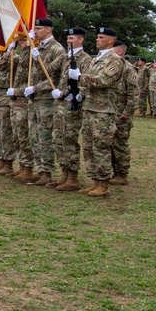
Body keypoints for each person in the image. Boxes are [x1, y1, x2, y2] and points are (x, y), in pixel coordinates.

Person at [72, 27, 122, 197]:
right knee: (88, 147)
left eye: (101, 37)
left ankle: (103, 182)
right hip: (90, 107)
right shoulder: (96, 59)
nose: (97, 39)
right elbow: (89, 83)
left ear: (111, 41)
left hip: (104, 110)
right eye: (97, 37)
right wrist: (80, 93)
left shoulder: (115, 60)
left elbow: (103, 80)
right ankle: (95, 180)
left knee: (101, 146)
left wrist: (79, 77)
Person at [48, 27, 93, 191]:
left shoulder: (86, 59)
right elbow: (48, 69)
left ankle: (73, 176)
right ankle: (64, 173)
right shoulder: (65, 57)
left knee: (69, 139)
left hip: (73, 106)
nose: (69, 41)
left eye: (72, 39)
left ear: (81, 40)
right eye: (67, 39)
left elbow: (87, 82)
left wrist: (79, 95)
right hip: (60, 104)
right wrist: (37, 53)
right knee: (57, 139)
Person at [23, 18, 66, 185]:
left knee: (44, 136)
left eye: (39, 28)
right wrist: (29, 47)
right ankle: (40, 169)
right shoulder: (37, 47)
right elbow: (25, 67)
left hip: (46, 99)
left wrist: (36, 88)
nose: (36, 31)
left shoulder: (57, 49)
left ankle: (47, 172)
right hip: (34, 99)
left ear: (49, 30)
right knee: (33, 135)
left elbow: (54, 77)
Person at [5, 37, 35, 181]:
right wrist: (9, 50)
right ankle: (22, 165)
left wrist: (16, 91)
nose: (21, 43)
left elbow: (31, 81)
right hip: (15, 101)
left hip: (23, 100)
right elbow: (3, 67)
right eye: (19, 41)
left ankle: (28, 167)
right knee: (17, 136)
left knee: (24, 135)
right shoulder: (21, 55)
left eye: (24, 40)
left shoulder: (31, 55)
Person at [109, 41, 138, 186]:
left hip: (122, 115)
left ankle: (122, 173)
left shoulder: (128, 69)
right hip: (111, 112)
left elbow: (134, 95)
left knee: (120, 144)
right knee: (110, 144)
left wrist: (127, 113)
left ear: (119, 52)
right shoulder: (113, 68)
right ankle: (114, 171)